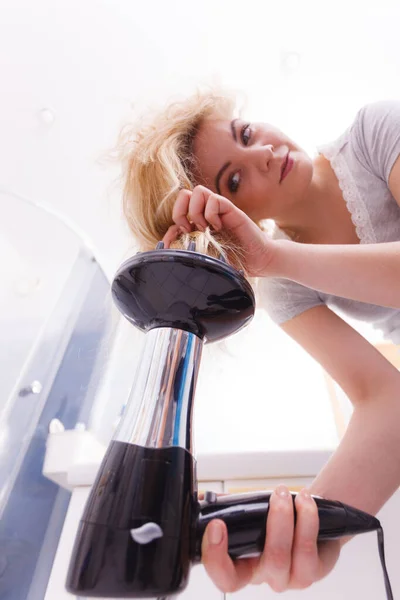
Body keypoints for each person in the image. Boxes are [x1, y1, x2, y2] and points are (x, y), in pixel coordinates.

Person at [115, 90, 400, 594]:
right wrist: (317, 537)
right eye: (235, 179)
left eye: (244, 134)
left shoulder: (378, 132)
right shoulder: (283, 283)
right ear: (231, 219)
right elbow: (386, 402)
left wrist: (273, 258)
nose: (262, 153)